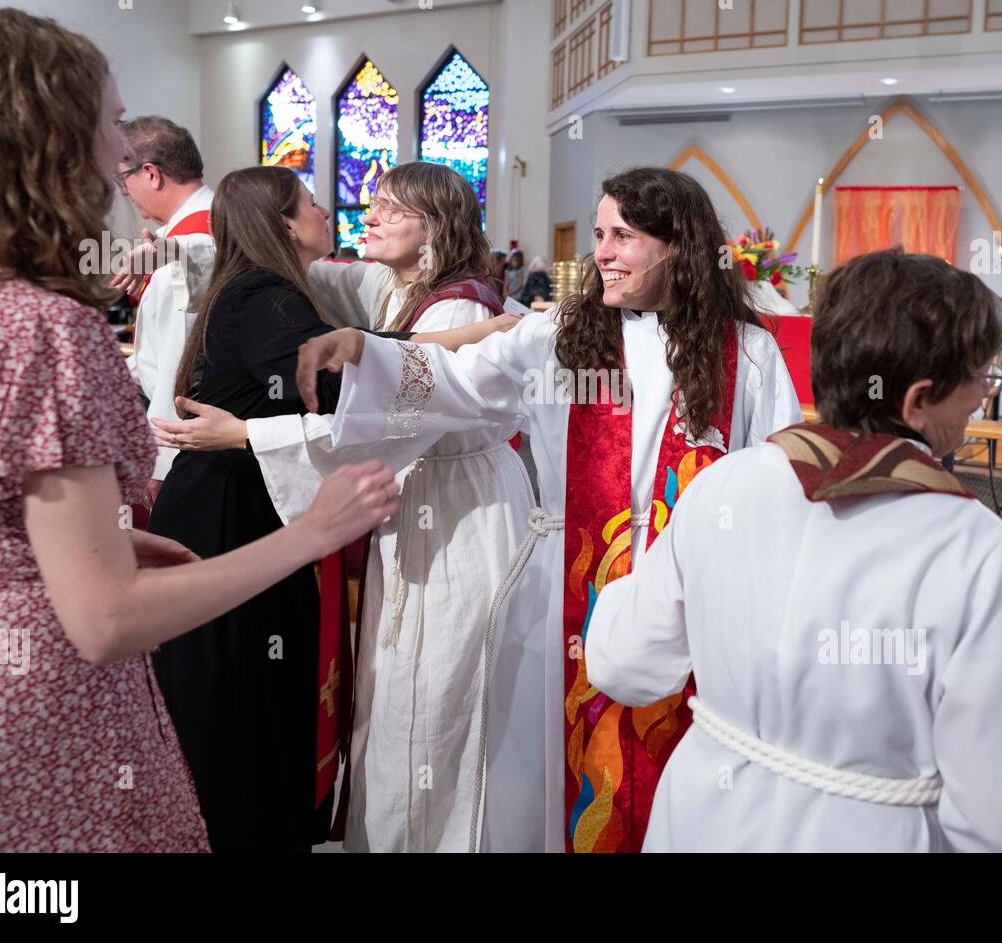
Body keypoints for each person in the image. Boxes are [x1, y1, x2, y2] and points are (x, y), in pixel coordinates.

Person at [0, 3, 399, 853]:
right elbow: (105, 618)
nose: (119, 155)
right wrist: (316, 531)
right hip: (40, 713)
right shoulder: (41, 327)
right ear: (46, 139)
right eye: (107, 124)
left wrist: (70, 541)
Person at [294, 166, 802, 852]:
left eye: (623, 235)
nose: (603, 252)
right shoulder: (566, 332)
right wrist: (367, 350)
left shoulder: (751, 354)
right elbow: (459, 382)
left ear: (678, 245)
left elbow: (778, 485)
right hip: (568, 593)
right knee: (553, 791)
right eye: (598, 235)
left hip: (696, 604)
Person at [584, 248, 1002, 852]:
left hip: (700, 818)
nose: (983, 396)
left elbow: (624, 661)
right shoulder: (974, 550)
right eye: (980, 377)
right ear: (918, 400)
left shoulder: (725, 483)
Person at [150, 162, 536, 853]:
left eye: (391, 208)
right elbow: (279, 261)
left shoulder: (458, 305)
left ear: (436, 226)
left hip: (453, 507)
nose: (367, 214)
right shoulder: (392, 284)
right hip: (408, 498)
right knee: (392, 697)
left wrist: (245, 433)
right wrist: (164, 252)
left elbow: (388, 415)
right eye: (367, 203)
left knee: (435, 692)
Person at [110, 117, 215, 506]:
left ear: (151, 174)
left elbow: (179, 360)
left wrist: (162, 463)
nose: (125, 193)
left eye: (124, 181)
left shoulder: (188, 245)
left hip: (189, 446)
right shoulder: (191, 233)